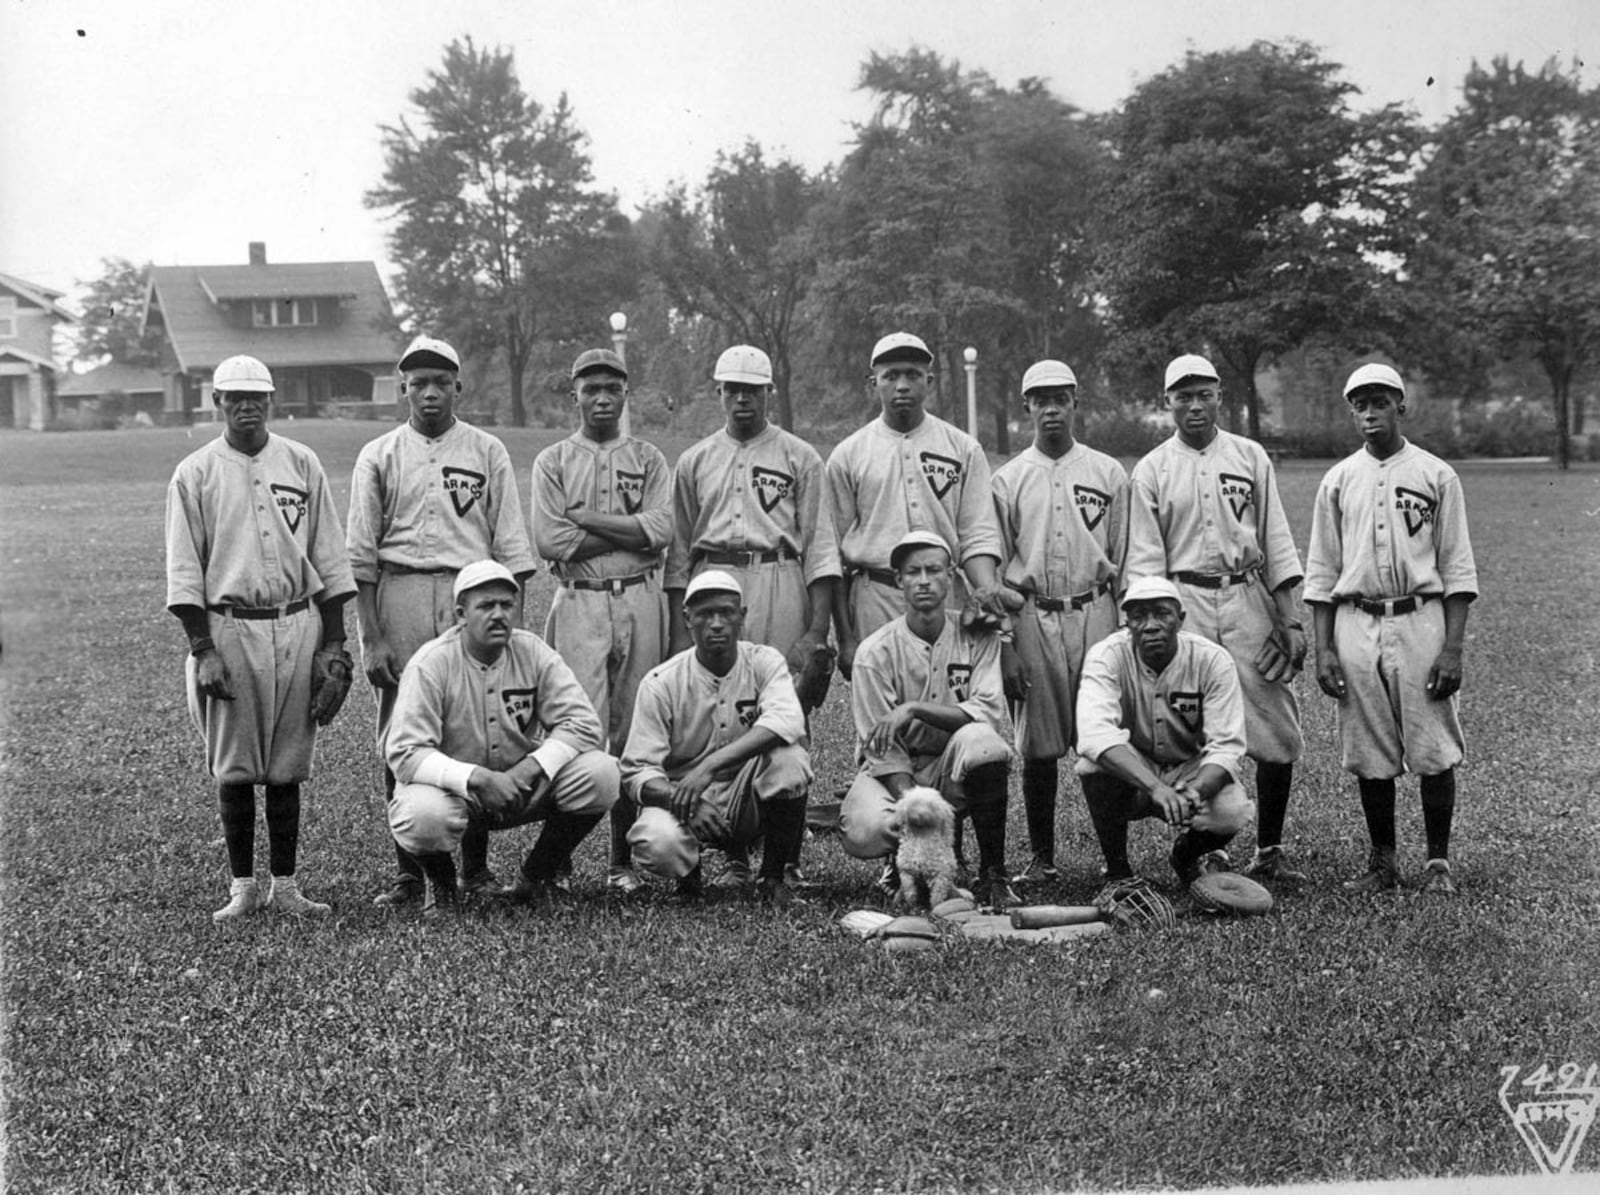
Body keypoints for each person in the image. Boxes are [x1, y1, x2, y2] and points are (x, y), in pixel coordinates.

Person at [347, 334, 538, 909]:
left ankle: (475, 868)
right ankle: (411, 871)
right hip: (401, 590)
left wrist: (512, 634)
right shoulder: (379, 454)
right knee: (400, 730)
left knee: (473, 723)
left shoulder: (485, 451)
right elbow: (360, 556)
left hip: (472, 593)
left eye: (440, 382)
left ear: (459, 386)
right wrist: (372, 636)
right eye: (418, 383)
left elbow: (512, 550)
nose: (429, 393)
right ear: (402, 388)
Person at [165, 354, 356, 921]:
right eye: (234, 397)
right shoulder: (195, 472)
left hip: (298, 622)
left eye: (257, 397)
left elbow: (330, 559)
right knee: (235, 765)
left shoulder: (300, 462)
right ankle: (242, 886)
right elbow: (184, 571)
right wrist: (203, 650)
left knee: (287, 764)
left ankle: (287, 885)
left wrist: (336, 646)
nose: (246, 406)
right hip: (229, 625)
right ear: (217, 402)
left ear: (272, 402)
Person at [1125, 354, 1308, 882]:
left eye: (1203, 393)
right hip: (1183, 601)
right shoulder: (1153, 467)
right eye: (1183, 395)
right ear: (1168, 403)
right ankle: (1209, 844)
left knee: (1273, 722)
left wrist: (1289, 619)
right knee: (1198, 724)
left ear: (1220, 395)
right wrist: (1156, 627)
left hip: (1246, 593)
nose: (1194, 404)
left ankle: (1269, 849)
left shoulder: (1249, 457)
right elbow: (1144, 559)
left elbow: (1275, 539)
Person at [664, 344, 840, 889]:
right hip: (713, 576)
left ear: (768, 393)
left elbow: (819, 547)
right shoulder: (695, 460)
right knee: (720, 707)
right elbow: (677, 554)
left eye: (753, 390)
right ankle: (734, 851)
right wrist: (677, 632)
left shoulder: (799, 456)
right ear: (718, 393)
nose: (743, 399)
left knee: (784, 713)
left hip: (779, 575)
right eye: (732, 389)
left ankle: (782, 859)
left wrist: (815, 629)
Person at [1304, 363, 1478, 894]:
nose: (1369, 412)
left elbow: (1457, 569)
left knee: (1431, 744)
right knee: (1369, 747)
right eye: (1360, 404)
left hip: (1419, 617)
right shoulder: (1338, 479)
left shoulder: (1435, 474)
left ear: (1401, 405)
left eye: (1380, 401)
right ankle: (1383, 863)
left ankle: (1437, 863)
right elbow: (1322, 572)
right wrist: (1324, 650)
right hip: (1357, 620)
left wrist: (1452, 648)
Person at [385, 560, 620, 916]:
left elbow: (584, 723)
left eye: (506, 605)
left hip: (520, 788)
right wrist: (477, 779)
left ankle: (535, 876)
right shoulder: (430, 664)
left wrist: (527, 771)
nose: (499, 615)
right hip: (456, 794)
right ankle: (444, 883)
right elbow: (403, 752)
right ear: (461, 614)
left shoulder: (532, 651)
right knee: (421, 814)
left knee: (602, 774)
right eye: (486, 606)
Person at [530, 348, 672, 895]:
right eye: (591, 389)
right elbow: (550, 540)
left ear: (625, 393)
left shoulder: (649, 457)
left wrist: (588, 518)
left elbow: (661, 528)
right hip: (581, 597)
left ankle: (622, 861)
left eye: (612, 388)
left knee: (636, 728)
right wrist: (629, 530)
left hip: (641, 597)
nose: (602, 398)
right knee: (575, 730)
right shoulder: (554, 460)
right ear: (576, 396)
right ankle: (560, 862)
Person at [991, 359, 1129, 885]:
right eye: (1040, 399)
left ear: (1076, 402)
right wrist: (1006, 642)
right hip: (1032, 612)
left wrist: (1124, 629)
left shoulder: (1107, 471)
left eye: (1060, 398)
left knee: (1102, 737)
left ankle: (1116, 859)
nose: (1050, 408)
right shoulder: (1008, 480)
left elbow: (1124, 554)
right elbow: (999, 567)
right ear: (1027, 406)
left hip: (1096, 608)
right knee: (1038, 746)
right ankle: (1043, 858)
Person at [838, 531, 1016, 910]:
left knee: (984, 744)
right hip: (895, 774)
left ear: (950, 576)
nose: (923, 580)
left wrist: (914, 709)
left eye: (933, 570)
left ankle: (994, 874)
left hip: (952, 763)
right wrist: (919, 805)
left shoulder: (976, 637)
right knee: (865, 829)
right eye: (913, 571)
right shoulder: (875, 652)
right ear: (899, 579)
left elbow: (985, 711)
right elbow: (882, 749)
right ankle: (900, 862)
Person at [619, 571, 813, 906]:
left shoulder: (763, 661)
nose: (717, 623)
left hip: (745, 794)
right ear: (687, 618)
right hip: (684, 795)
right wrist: (688, 802)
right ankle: (688, 880)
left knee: (790, 759)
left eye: (726, 612)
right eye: (705, 614)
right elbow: (637, 772)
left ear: (743, 616)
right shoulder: (661, 682)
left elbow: (788, 720)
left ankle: (772, 878)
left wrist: (710, 766)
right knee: (657, 842)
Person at [825, 332, 1007, 680]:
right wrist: (846, 638)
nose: (902, 385)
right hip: (876, 594)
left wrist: (985, 590)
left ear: (930, 381)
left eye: (912, 374)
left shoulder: (962, 448)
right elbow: (831, 553)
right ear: (872, 383)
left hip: (943, 592)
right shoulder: (849, 455)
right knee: (880, 712)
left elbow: (978, 535)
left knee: (948, 702)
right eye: (891, 376)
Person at [1074, 577, 1253, 890]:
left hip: (1190, 766)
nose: (1150, 625)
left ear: (1181, 619)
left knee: (1232, 810)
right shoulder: (1106, 655)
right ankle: (1119, 873)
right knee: (1093, 765)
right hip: (1137, 764)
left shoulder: (1211, 659)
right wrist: (1155, 787)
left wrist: (1196, 790)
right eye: (1139, 616)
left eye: (1161, 613)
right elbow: (1094, 735)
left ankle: (1186, 854)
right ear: (1126, 622)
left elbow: (1226, 746)